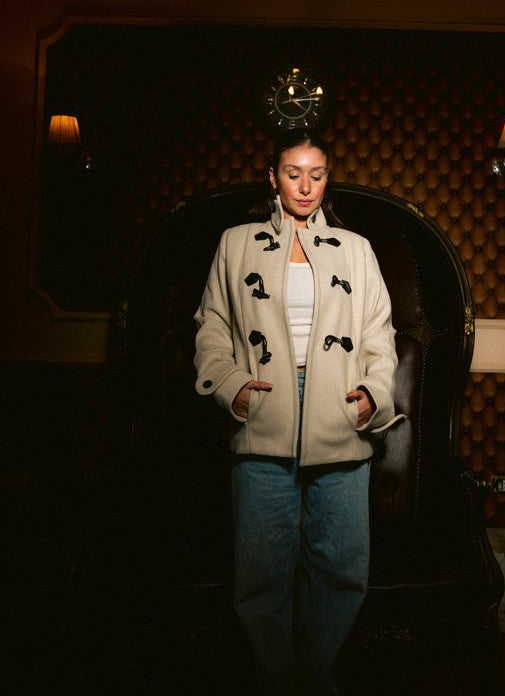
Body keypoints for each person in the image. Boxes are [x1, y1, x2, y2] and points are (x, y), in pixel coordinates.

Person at [194, 129, 400, 695]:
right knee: (260, 570)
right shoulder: (236, 243)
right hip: (265, 409)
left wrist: (373, 393)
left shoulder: (355, 248)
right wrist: (230, 385)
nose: (305, 186)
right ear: (273, 178)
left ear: (327, 179)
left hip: (339, 408)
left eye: (316, 174)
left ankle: (314, 676)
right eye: (293, 173)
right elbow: (211, 326)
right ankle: (278, 679)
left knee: (341, 567)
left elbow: (379, 334)